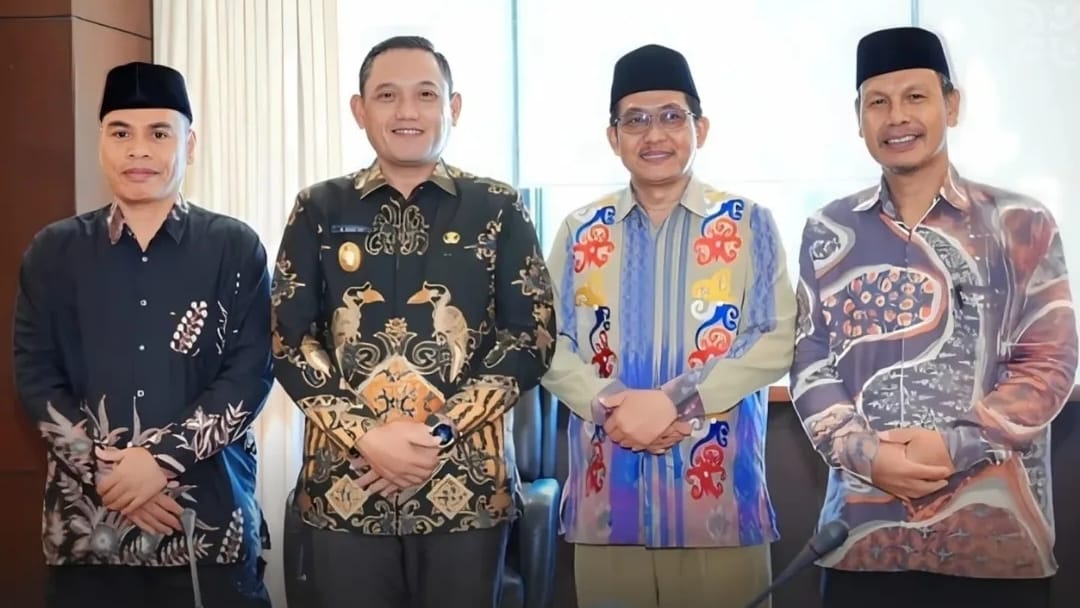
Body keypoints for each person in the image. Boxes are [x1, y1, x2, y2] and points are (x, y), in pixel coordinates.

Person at [789, 26, 1078, 608]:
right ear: (859, 118)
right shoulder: (828, 229)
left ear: (952, 105)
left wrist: (955, 446)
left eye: (915, 97)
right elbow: (809, 359)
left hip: (995, 548)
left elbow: (1048, 363)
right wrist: (865, 453)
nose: (897, 117)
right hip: (861, 541)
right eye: (878, 101)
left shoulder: (1020, 223)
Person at [272, 35, 556, 608]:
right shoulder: (318, 208)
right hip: (345, 487)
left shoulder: (498, 207)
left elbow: (531, 336)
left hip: (467, 491)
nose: (407, 110)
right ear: (360, 110)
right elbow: (289, 340)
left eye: (426, 94)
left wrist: (439, 433)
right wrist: (366, 435)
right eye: (387, 95)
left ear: (453, 107)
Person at [540, 44, 796, 608]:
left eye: (671, 117)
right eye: (635, 120)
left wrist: (674, 401)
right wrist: (613, 405)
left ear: (699, 128)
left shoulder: (748, 224)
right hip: (608, 505)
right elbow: (545, 341)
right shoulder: (581, 231)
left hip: (718, 506)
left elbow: (775, 337)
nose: (654, 134)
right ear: (613, 137)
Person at [13, 62, 274, 608]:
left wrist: (159, 462)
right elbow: (36, 375)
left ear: (189, 145)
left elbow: (250, 373)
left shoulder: (234, 247)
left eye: (159, 133)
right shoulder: (53, 252)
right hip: (89, 537)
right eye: (120, 133)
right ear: (101, 143)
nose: (139, 150)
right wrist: (109, 472)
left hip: (205, 531)